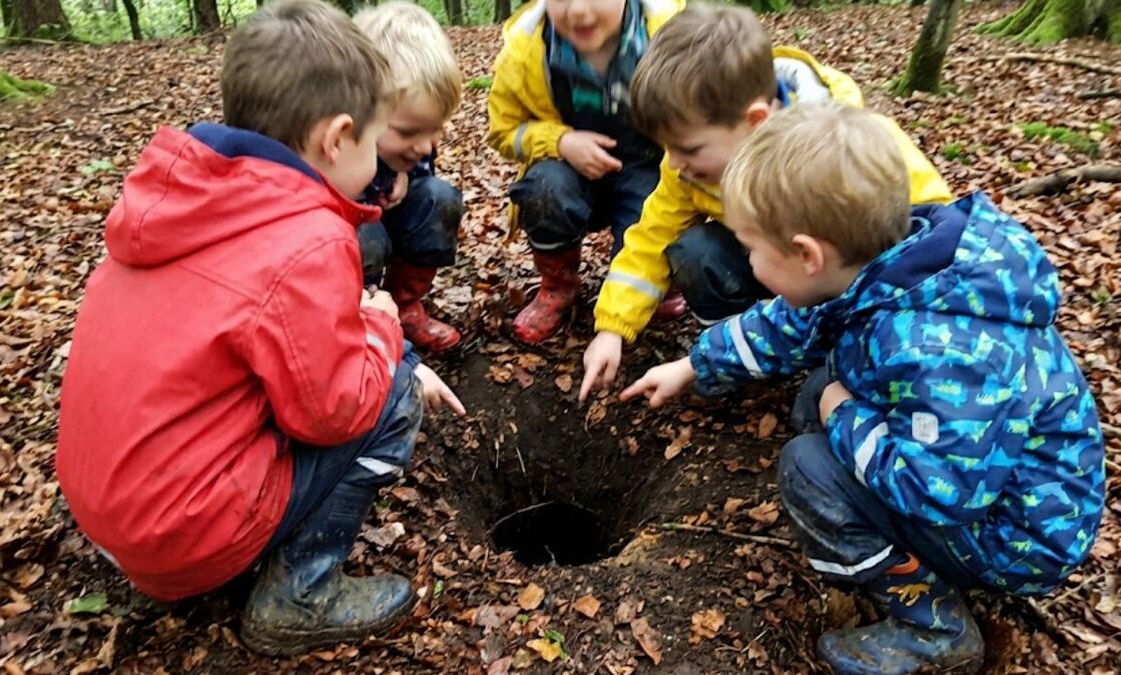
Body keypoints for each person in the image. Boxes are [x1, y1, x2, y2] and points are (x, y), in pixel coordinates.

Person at [621, 103, 1105, 675]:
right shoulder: (890, 270)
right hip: (982, 477)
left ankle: (932, 626)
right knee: (822, 392)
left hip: (1016, 534)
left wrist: (845, 416)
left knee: (808, 464)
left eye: (750, 247)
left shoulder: (939, 352)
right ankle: (859, 500)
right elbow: (792, 323)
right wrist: (694, 365)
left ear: (806, 254)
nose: (746, 260)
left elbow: (939, 492)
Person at [55, 0, 463, 657]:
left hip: (107, 513)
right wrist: (386, 331)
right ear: (337, 138)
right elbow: (334, 410)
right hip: (182, 535)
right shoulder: (305, 238)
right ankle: (302, 593)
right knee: (390, 392)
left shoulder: (180, 199)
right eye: (375, 138)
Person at [579, 3, 952, 401]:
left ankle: (829, 354)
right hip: (776, 277)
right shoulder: (690, 168)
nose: (672, 162)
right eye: (666, 147)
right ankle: (740, 356)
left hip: (867, 295)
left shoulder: (853, 148)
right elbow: (649, 239)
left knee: (821, 397)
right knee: (696, 252)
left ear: (754, 121)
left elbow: (933, 232)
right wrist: (612, 327)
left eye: (687, 148)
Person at [486, 0, 686, 344]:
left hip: (646, 168)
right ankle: (558, 286)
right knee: (543, 187)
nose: (578, 11)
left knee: (654, 210)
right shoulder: (527, 47)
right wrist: (560, 141)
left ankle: (652, 283)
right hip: (569, 173)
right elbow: (503, 131)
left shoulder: (671, 32)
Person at [355, 1, 467, 353]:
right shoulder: (340, 152)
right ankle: (362, 315)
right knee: (365, 237)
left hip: (395, 218)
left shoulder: (414, 147)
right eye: (408, 132)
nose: (424, 145)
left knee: (439, 199)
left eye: (434, 130)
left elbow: (422, 158)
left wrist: (406, 172)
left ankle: (405, 305)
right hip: (349, 246)